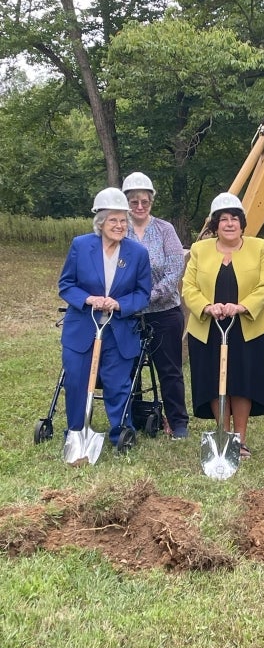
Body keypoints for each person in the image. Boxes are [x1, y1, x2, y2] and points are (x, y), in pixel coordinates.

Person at [181, 193, 264, 457]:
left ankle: (240, 439)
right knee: (215, 381)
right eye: (223, 219)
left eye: (235, 218)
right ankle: (222, 434)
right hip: (209, 327)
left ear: (242, 223)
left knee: (242, 381)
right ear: (215, 225)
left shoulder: (260, 247)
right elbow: (188, 286)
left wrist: (242, 306)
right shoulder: (199, 250)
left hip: (247, 326)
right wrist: (206, 306)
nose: (230, 223)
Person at [58, 187, 152, 447]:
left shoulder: (138, 253)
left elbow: (143, 294)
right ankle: (77, 433)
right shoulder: (81, 245)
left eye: (123, 220)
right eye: (113, 220)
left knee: (117, 383)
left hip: (119, 329)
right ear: (100, 222)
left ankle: (122, 433)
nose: (119, 225)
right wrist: (88, 299)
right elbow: (66, 285)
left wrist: (119, 304)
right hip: (82, 328)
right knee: (76, 380)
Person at [122, 171, 189, 440]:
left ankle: (178, 422)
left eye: (144, 202)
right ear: (125, 202)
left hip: (163, 312)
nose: (139, 207)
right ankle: (136, 416)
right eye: (134, 202)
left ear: (151, 202)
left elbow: (175, 271)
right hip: (126, 314)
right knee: (129, 368)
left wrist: (145, 297)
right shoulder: (117, 228)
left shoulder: (165, 230)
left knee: (169, 369)